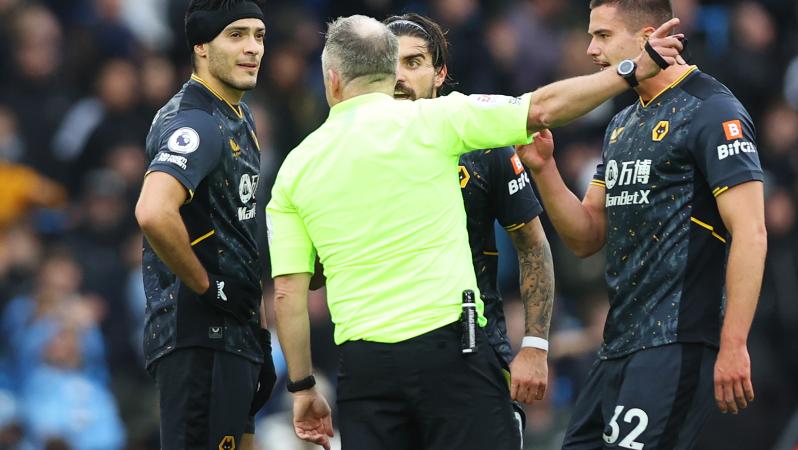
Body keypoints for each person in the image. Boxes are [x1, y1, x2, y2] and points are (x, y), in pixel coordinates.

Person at [266, 14, 685, 450]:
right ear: (387, 69)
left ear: (333, 81)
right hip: (451, 348)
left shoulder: (295, 168)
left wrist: (302, 387)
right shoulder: (436, 121)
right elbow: (543, 106)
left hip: (363, 365)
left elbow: (288, 294)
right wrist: (631, 70)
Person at [516, 1, 767, 449]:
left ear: (648, 36)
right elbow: (587, 235)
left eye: (603, 36)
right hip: (616, 346)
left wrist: (734, 344)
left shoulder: (712, 110)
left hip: (678, 342)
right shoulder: (620, 125)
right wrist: (545, 169)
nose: (592, 50)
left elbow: (751, 231)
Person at [384, 13, 555, 445]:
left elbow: (533, 245)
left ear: (440, 73)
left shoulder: (481, 145)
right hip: (382, 360)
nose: (400, 76)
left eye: (414, 62)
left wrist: (535, 345)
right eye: (390, 63)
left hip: (473, 353)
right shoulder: (348, 149)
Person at [134, 1, 276, 449]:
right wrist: (208, 287)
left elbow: (239, 235)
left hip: (233, 338)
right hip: (200, 338)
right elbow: (153, 212)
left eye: (259, 35)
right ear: (200, 47)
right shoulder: (197, 121)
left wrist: (259, 333)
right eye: (236, 35)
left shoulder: (239, 116)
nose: (252, 47)